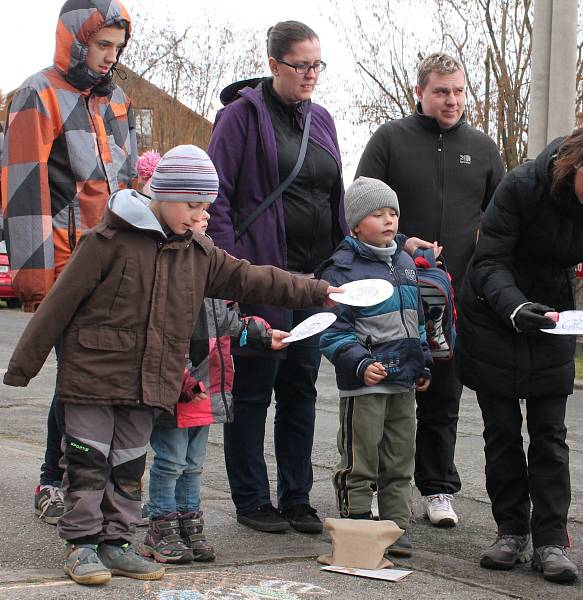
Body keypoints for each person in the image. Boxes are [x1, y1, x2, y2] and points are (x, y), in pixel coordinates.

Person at [2, 145, 338, 585]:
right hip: (92, 377)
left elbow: (252, 277)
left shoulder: (198, 254)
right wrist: (23, 366)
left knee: (128, 463)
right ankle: (81, 544)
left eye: (205, 206)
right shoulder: (105, 241)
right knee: (87, 460)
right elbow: (58, 306)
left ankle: (116, 543)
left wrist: (318, 291)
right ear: (161, 193)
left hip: (148, 383)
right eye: (191, 204)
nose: (200, 215)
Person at [455, 116, 583, 582]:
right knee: (502, 432)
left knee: (550, 435)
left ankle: (552, 540)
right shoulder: (521, 186)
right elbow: (489, 260)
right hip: (494, 311)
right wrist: (515, 307)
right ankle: (510, 532)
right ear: (574, 164)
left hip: (554, 316)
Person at [207, 20, 348, 536]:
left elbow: (335, 198)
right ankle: (250, 497)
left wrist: (345, 262)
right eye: (301, 65)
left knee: (300, 389)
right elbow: (217, 198)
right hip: (260, 278)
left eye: (317, 64)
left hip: (313, 281)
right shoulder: (239, 117)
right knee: (252, 389)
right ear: (273, 65)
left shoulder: (324, 120)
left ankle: (296, 497)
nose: (311, 74)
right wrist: (229, 274)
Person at [0, 0, 137, 525]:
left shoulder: (117, 99)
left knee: (98, 377)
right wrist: (35, 281)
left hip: (111, 262)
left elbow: (126, 188)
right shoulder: (37, 92)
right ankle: (53, 479)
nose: (109, 57)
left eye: (117, 48)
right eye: (102, 45)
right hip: (61, 260)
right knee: (75, 377)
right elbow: (22, 186)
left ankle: (90, 484)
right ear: (76, 39)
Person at [355, 52, 504, 527]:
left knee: (443, 397)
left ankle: (437, 488)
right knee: (389, 394)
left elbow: (502, 221)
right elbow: (359, 208)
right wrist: (399, 242)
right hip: (393, 294)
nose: (452, 100)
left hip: (452, 302)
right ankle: (380, 484)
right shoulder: (391, 140)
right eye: (442, 91)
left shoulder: (482, 149)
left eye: (459, 90)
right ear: (419, 93)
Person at [141, 208, 281, 565]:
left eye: (206, 211)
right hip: (180, 388)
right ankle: (161, 523)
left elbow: (230, 324)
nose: (204, 216)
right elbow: (163, 334)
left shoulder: (214, 274)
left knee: (194, 463)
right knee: (171, 460)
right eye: (196, 210)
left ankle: (189, 521)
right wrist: (183, 378)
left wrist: (262, 333)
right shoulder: (173, 270)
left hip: (209, 389)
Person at [318, 176, 433, 557]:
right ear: (354, 224)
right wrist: (360, 364)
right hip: (365, 384)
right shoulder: (342, 268)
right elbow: (332, 332)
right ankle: (356, 525)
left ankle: (396, 527)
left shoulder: (404, 263)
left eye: (393, 213)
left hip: (403, 382)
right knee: (359, 457)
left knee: (400, 458)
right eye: (377, 214)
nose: (388, 221)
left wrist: (424, 364)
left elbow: (414, 319)